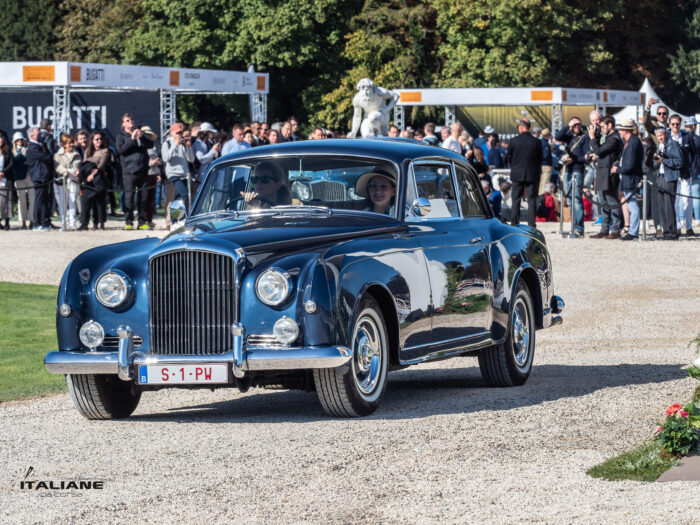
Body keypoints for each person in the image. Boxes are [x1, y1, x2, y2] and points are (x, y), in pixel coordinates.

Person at [116, 113, 154, 230]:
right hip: (129, 172)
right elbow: (121, 150)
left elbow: (151, 144)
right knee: (129, 198)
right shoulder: (121, 136)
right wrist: (132, 139)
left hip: (143, 170)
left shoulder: (139, 133)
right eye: (128, 120)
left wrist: (141, 137)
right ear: (123, 124)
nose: (131, 121)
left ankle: (142, 222)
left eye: (132, 119)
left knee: (143, 198)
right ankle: (129, 221)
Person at [555, 117, 590, 237]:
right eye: (574, 125)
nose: (576, 127)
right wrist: (568, 126)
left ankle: (579, 228)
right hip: (567, 170)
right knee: (569, 200)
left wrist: (573, 160)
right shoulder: (569, 136)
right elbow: (558, 136)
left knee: (576, 199)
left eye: (578, 124)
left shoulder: (584, 137)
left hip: (577, 170)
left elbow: (586, 157)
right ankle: (573, 226)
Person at [589, 116, 623, 239]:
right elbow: (598, 149)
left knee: (612, 201)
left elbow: (599, 151)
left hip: (609, 173)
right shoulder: (608, 138)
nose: (601, 129)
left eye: (603, 127)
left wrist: (593, 137)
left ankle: (615, 229)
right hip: (602, 172)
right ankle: (604, 229)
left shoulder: (614, 139)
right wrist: (596, 137)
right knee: (603, 202)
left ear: (610, 125)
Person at [505, 119, 542, 227]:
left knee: (516, 200)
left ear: (520, 127)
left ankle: (515, 223)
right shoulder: (536, 141)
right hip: (532, 174)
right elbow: (540, 158)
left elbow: (508, 158)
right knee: (532, 200)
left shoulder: (514, 141)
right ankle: (531, 224)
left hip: (517, 173)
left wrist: (516, 164)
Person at [614, 119, 644, 240]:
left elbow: (630, 166)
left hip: (631, 178)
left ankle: (633, 232)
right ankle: (632, 231)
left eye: (620, 129)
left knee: (633, 206)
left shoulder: (633, 143)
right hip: (629, 178)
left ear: (626, 130)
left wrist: (617, 169)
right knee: (632, 205)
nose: (619, 132)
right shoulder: (632, 141)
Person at [668, 114, 696, 236]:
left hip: (685, 172)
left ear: (680, 124)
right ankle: (678, 226)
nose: (675, 126)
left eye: (677, 124)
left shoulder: (687, 137)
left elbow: (694, 153)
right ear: (670, 125)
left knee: (687, 199)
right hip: (672, 172)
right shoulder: (667, 137)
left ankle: (689, 226)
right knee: (675, 201)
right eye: (673, 124)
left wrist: (691, 168)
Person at [162, 122, 195, 221]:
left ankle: (174, 220)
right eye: (177, 132)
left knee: (178, 197)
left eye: (181, 132)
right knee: (184, 195)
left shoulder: (183, 144)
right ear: (172, 132)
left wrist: (189, 147)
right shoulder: (167, 143)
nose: (179, 135)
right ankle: (182, 219)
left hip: (185, 174)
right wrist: (174, 146)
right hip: (174, 174)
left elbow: (191, 159)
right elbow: (165, 158)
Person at [653, 127, 682, 240]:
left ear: (666, 134)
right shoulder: (660, 145)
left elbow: (679, 162)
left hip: (670, 178)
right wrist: (655, 160)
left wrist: (664, 160)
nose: (660, 137)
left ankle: (671, 232)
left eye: (661, 135)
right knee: (662, 206)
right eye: (658, 136)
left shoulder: (673, 144)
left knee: (669, 206)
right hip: (660, 177)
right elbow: (656, 165)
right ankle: (666, 232)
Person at [26, 127, 56, 230]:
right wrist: (47, 150)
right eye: (38, 134)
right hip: (39, 178)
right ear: (32, 136)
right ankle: (36, 223)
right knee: (39, 200)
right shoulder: (32, 148)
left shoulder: (41, 146)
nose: (41, 136)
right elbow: (47, 157)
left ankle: (45, 221)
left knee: (46, 200)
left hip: (46, 177)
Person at [81, 131, 110, 230]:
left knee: (100, 203)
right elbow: (84, 164)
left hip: (99, 179)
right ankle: (84, 223)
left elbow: (101, 165)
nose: (99, 141)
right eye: (96, 139)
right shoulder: (88, 151)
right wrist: (86, 176)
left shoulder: (105, 151)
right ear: (92, 141)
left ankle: (99, 223)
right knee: (86, 203)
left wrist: (92, 175)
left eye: (100, 139)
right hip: (88, 181)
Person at [53, 133, 81, 230]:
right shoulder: (57, 155)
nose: (71, 145)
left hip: (73, 181)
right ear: (63, 144)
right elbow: (56, 166)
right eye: (69, 143)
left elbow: (78, 167)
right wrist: (66, 171)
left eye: (72, 143)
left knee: (72, 202)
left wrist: (76, 172)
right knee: (63, 204)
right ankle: (64, 223)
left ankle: (72, 223)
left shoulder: (77, 154)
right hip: (62, 182)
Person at [11, 132, 31, 229]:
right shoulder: (12, 152)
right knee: (22, 200)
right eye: (18, 140)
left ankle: (31, 221)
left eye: (21, 139)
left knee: (32, 199)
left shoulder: (28, 150)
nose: (20, 141)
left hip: (30, 176)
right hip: (19, 177)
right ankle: (23, 222)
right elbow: (14, 165)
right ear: (14, 142)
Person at [685, 117, 700, 227]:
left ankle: (682, 218)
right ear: (694, 126)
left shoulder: (683, 138)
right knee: (695, 194)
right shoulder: (698, 139)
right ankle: (698, 218)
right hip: (695, 168)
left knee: (683, 197)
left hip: (685, 169)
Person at [0, 130, 14, 230]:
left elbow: (11, 164)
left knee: (7, 201)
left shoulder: (7, 151)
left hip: (6, 179)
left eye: (1, 138)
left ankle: (7, 222)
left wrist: (3, 172)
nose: (0, 140)